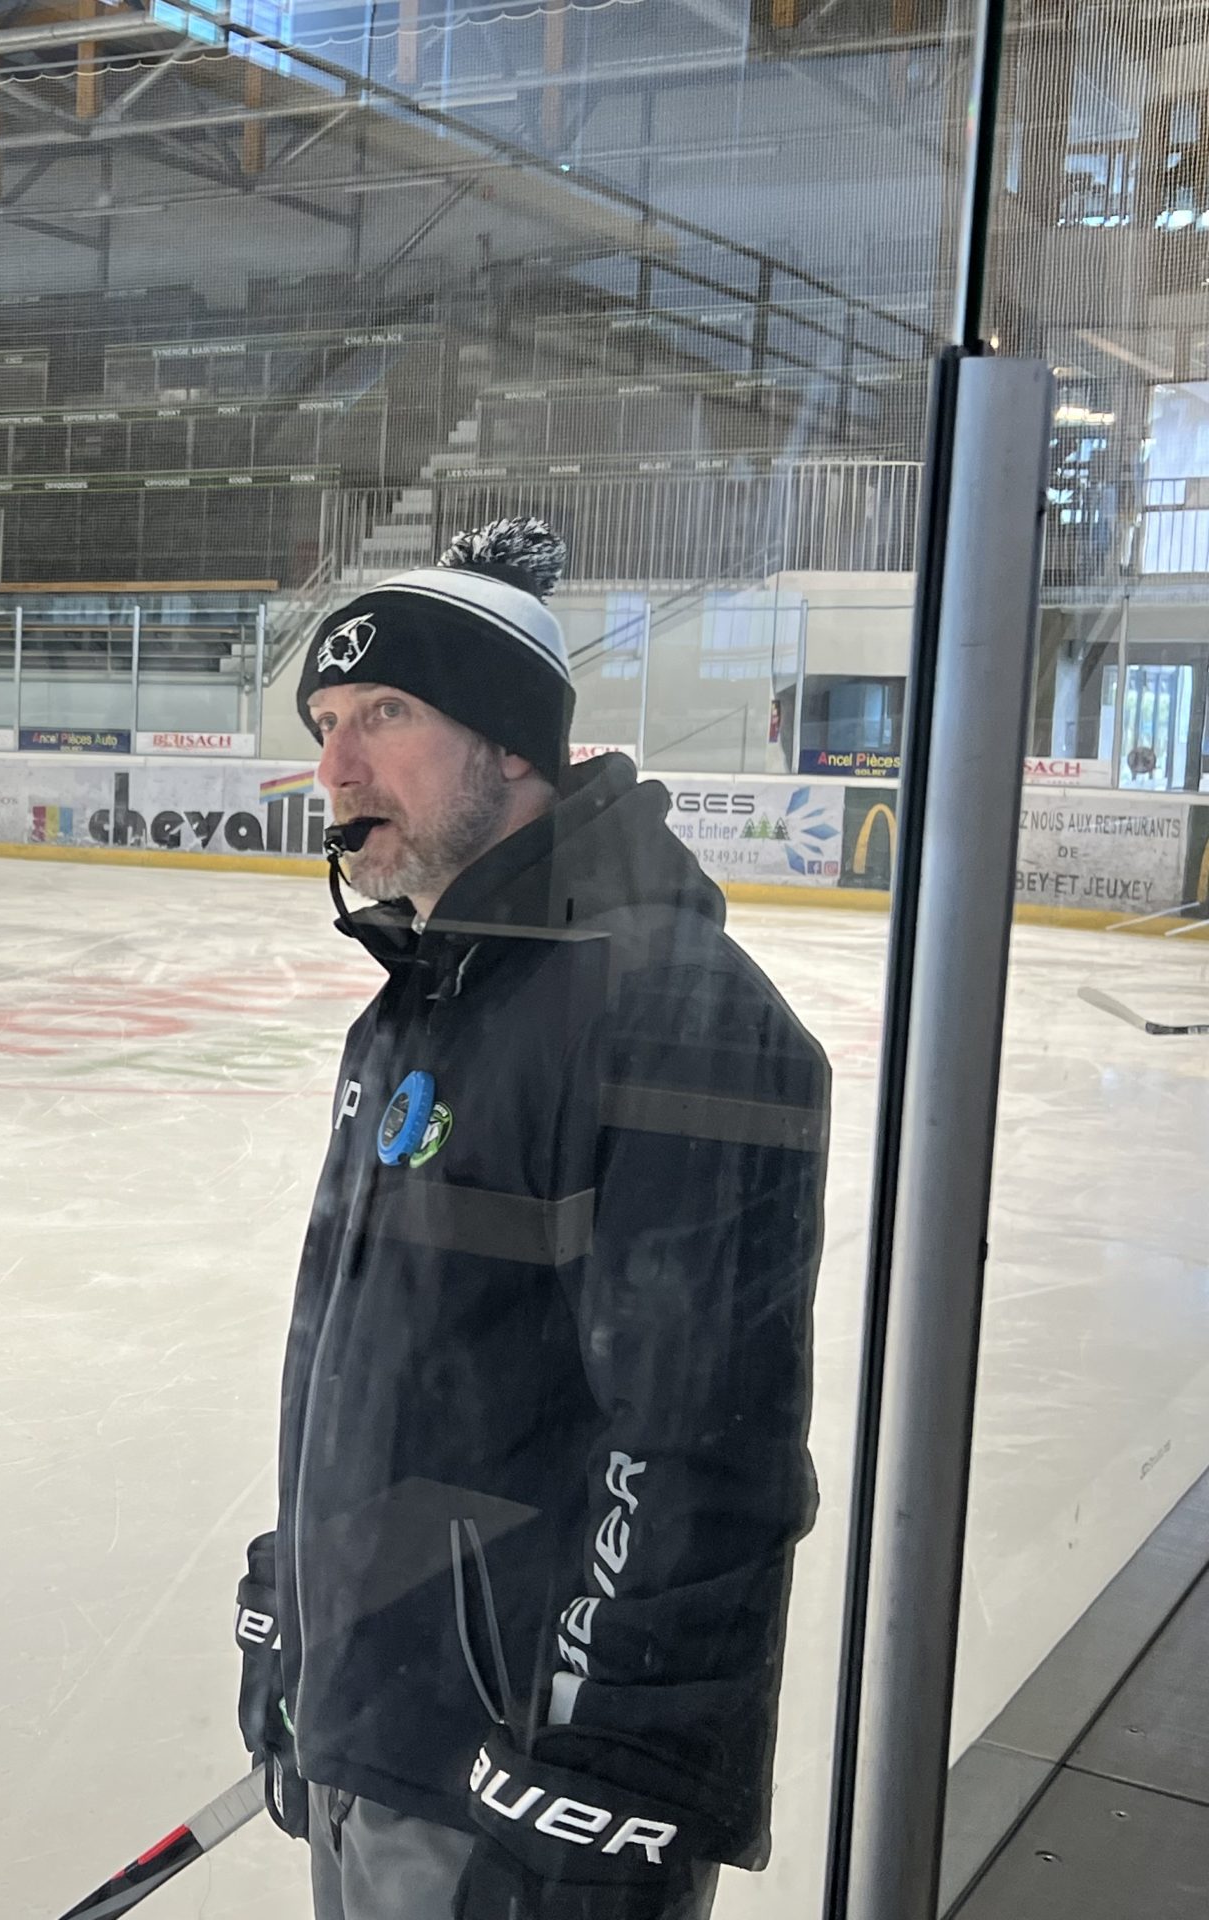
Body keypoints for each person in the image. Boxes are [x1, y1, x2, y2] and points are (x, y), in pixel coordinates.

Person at [236, 519, 831, 1920]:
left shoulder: (670, 1013)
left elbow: (702, 1452)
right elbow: (377, 1372)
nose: (334, 769)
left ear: (512, 745)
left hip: (519, 1791)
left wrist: (611, 1759)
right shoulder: (421, 1006)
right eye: (327, 721)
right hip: (379, 1735)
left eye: (384, 715)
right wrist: (294, 1609)